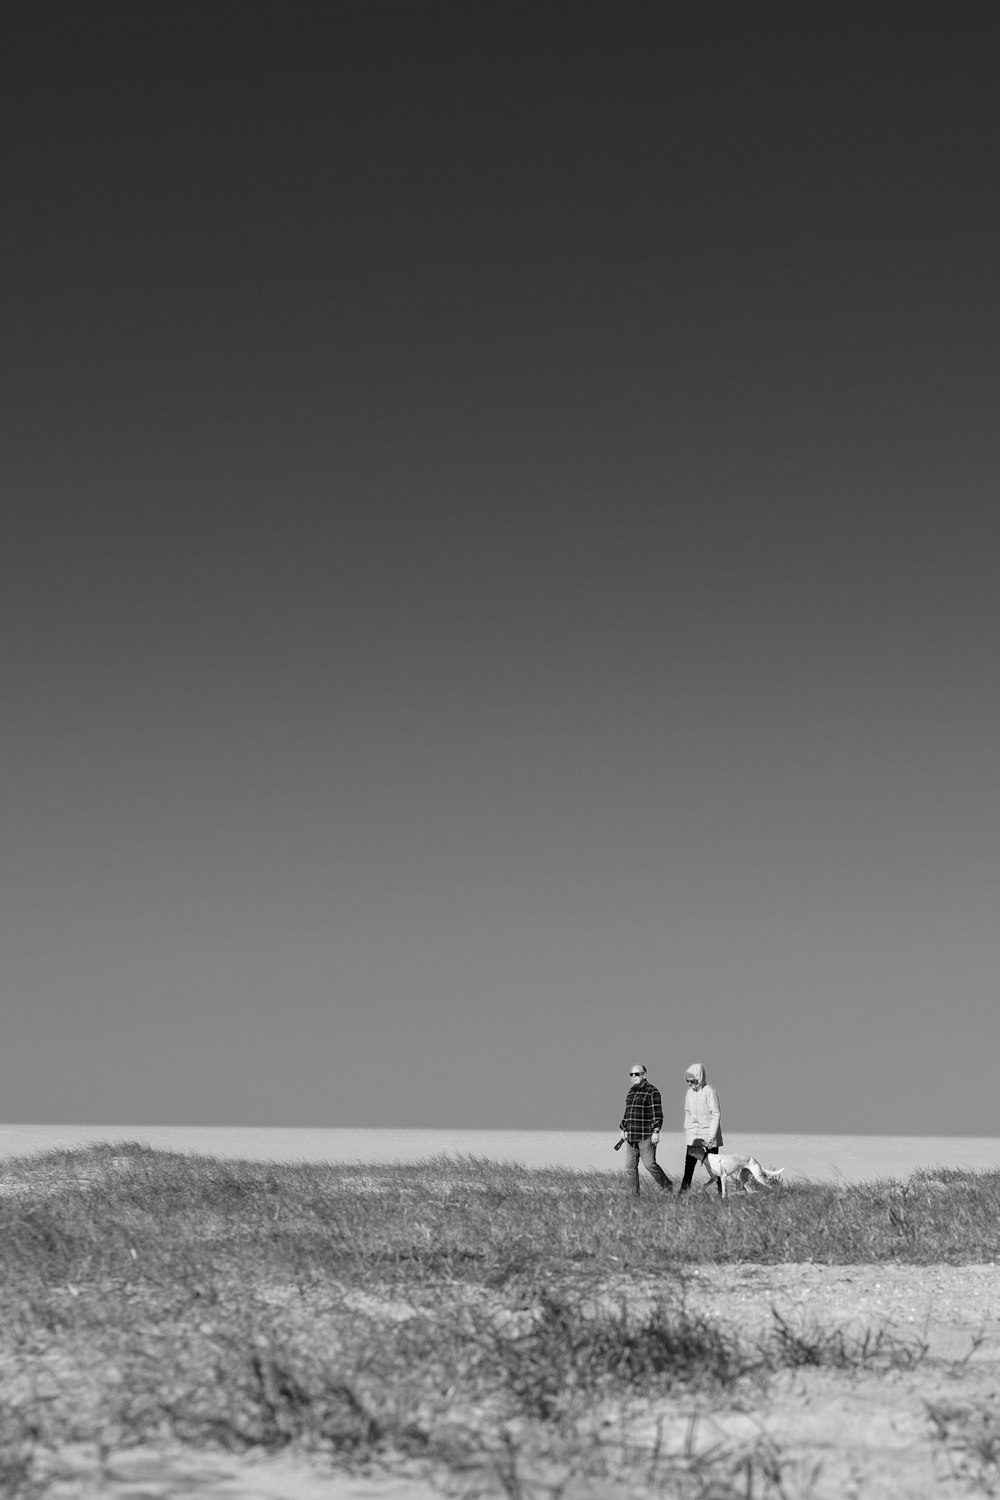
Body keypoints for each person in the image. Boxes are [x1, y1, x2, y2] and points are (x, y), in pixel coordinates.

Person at [618, 1063, 673, 1195]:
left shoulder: (652, 1091)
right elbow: (628, 1112)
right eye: (631, 1074)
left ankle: (669, 1186)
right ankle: (633, 1196)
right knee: (630, 1168)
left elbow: (657, 1113)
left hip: (646, 1135)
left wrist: (656, 1131)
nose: (633, 1077)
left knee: (650, 1165)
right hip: (631, 1135)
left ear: (644, 1075)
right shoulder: (631, 1091)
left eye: (637, 1074)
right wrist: (623, 1128)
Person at [679, 1062, 723, 1194]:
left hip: (709, 1133)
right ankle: (684, 1191)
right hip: (694, 1134)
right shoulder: (689, 1093)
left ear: (699, 1077)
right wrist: (687, 1129)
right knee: (689, 1163)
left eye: (692, 1080)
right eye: (687, 1080)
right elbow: (687, 1112)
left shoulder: (710, 1092)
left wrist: (711, 1136)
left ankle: (721, 1191)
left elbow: (716, 1114)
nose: (689, 1083)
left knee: (714, 1166)